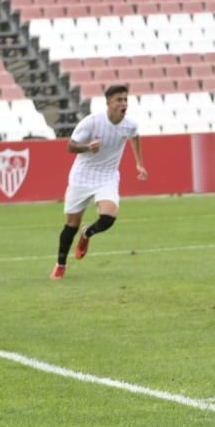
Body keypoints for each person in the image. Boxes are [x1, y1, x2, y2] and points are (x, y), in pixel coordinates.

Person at [51, 84, 147, 280]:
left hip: (107, 176)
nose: (123, 103)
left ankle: (87, 233)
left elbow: (135, 137)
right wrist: (87, 147)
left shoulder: (130, 125)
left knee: (108, 217)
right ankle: (60, 265)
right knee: (71, 225)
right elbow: (70, 146)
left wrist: (139, 164)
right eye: (119, 100)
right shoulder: (92, 122)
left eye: (125, 100)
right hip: (82, 176)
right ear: (108, 102)